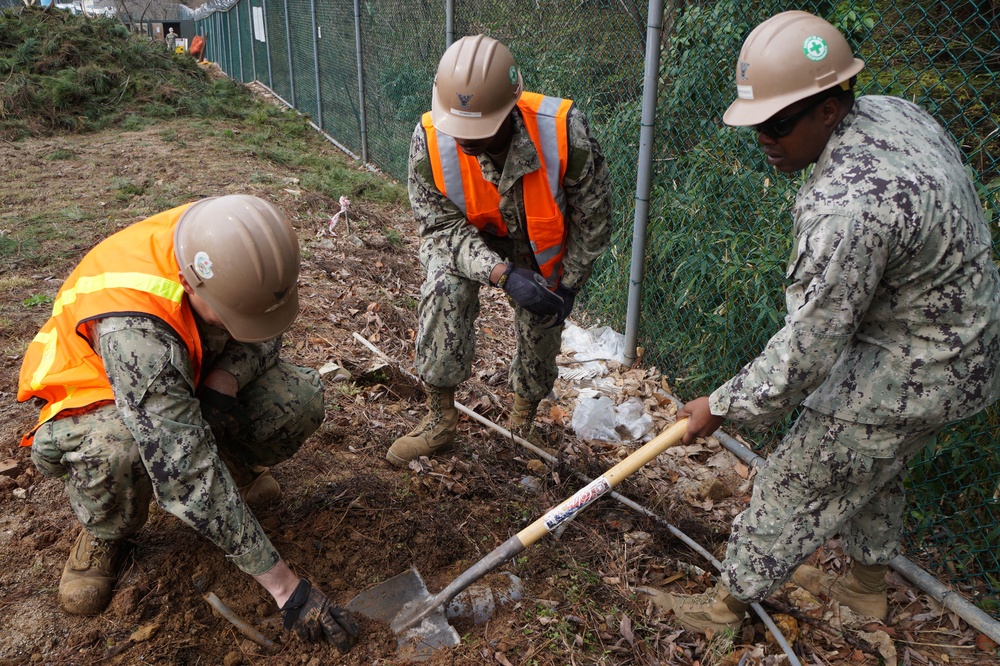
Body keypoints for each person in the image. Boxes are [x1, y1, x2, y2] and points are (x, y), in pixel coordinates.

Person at [643, 10, 1000, 634]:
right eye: (756, 124)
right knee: (870, 459)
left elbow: (808, 348)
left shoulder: (850, 207)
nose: (765, 139)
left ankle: (726, 607)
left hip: (924, 359)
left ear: (830, 110)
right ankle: (865, 589)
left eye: (779, 124)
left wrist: (721, 406)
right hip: (960, 336)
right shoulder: (891, 112)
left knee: (797, 477)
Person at [17, 195, 359, 653]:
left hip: (183, 367)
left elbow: (263, 325)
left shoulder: (229, 240)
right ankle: (105, 529)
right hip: (98, 398)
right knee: (118, 449)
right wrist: (286, 589)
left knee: (295, 399)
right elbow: (185, 472)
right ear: (188, 284)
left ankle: (233, 476)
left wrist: (226, 377)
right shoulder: (133, 330)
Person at [386, 34, 612, 466]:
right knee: (443, 288)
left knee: (543, 314)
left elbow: (594, 221)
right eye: (459, 129)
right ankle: (439, 419)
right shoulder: (429, 139)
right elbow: (438, 227)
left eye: (479, 130)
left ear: (510, 109)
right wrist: (499, 273)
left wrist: (566, 288)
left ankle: (523, 417)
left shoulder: (564, 131)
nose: (466, 141)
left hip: (537, 241)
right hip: (466, 235)